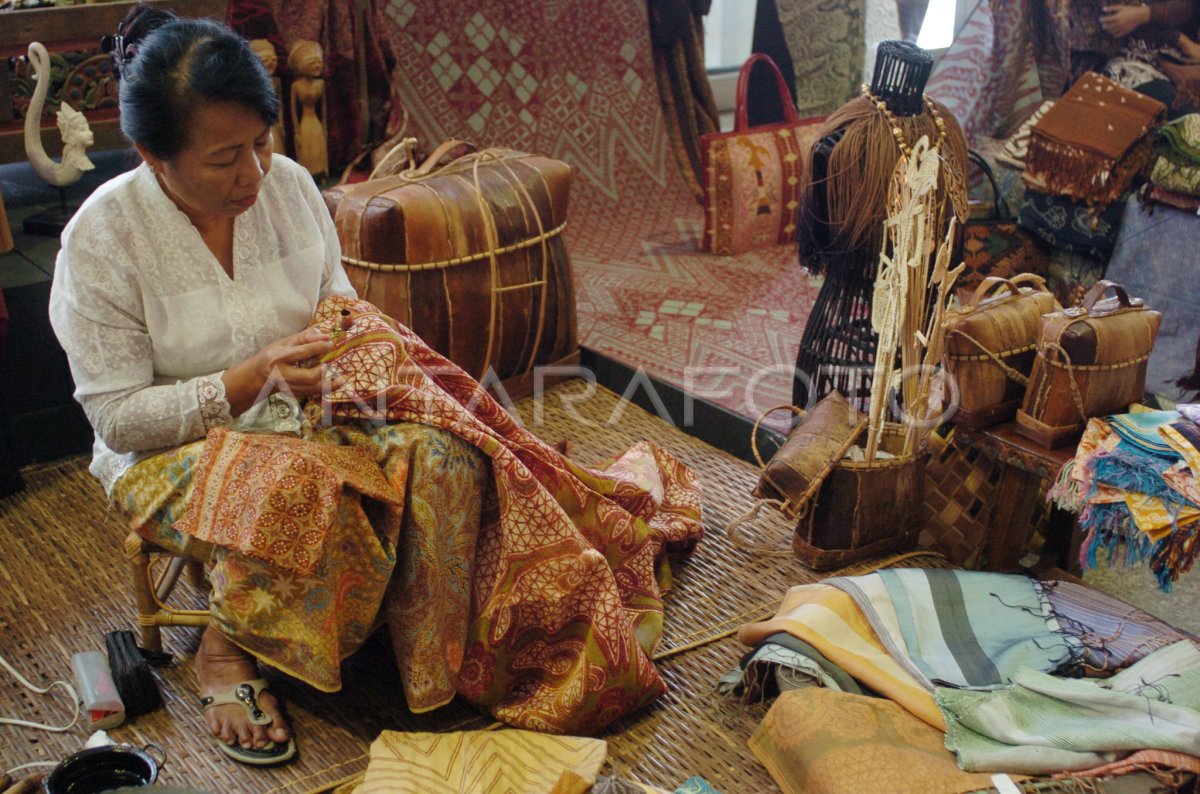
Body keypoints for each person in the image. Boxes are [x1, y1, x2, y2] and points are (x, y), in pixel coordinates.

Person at [52, 3, 702, 769]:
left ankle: (436, 665)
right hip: (176, 447)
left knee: (452, 448)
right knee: (311, 490)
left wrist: (350, 350)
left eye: (261, 144)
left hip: (312, 409)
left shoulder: (290, 188)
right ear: (150, 155)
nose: (254, 174)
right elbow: (119, 418)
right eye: (224, 158)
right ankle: (227, 650)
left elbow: (341, 305)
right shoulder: (103, 240)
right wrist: (248, 380)